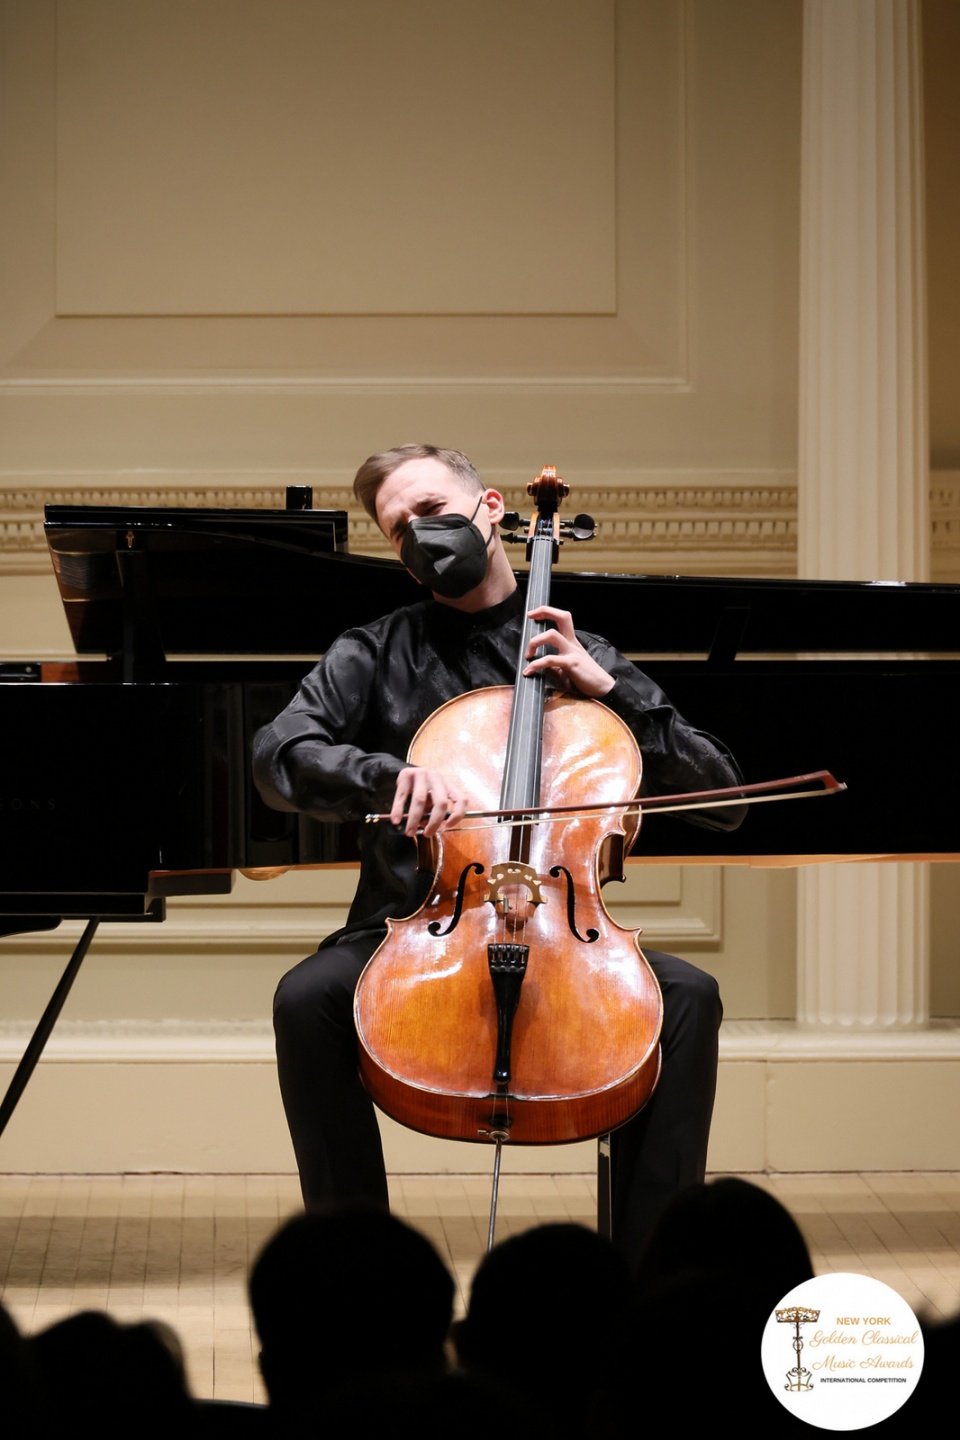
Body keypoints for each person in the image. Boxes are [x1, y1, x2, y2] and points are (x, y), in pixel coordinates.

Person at [253, 443, 745, 1266]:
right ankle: (357, 1275)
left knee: (690, 999)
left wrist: (609, 689)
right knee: (306, 999)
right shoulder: (373, 651)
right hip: (412, 928)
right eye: (400, 526)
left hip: (564, 931)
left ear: (489, 510)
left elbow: (723, 796)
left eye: (434, 509)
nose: (419, 532)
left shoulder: (574, 656)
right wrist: (388, 771)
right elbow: (279, 753)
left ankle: (651, 1283)